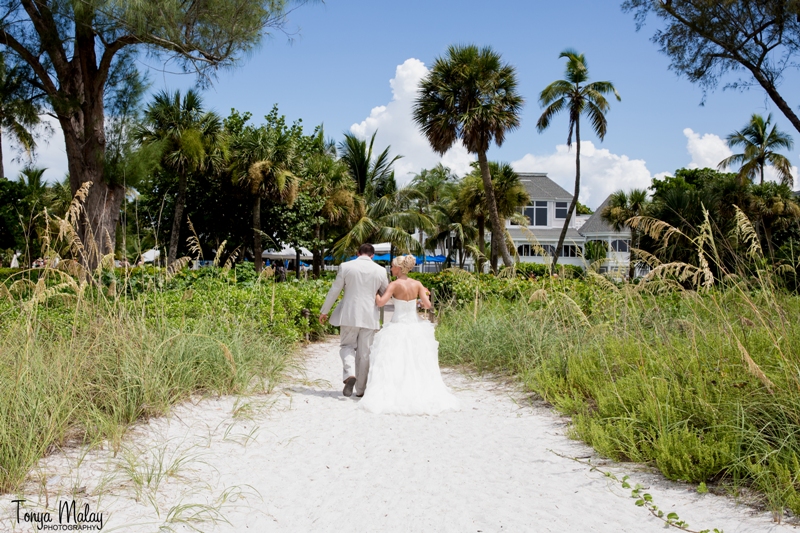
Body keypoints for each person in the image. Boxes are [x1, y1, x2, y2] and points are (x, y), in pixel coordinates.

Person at [358, 255, 460, 415]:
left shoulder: (394, 285)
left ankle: (397, 391)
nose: (391, 269)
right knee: (416, 362)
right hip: (415, 326)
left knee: (395, 361)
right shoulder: (417, 284)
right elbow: (427, 305)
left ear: (399, 268)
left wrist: (376, 293)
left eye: (392, 267)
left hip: (397, 326)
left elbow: (380, 303)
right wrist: (419, 300)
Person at [319, 243, 389, 397]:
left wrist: (324, 311)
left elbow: (334, 290)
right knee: (364, 353)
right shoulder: (381, 270)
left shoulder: (346, 266)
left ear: (358, 253)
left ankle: (350, 373)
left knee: (347, 346)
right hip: (370, 316)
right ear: (373, 255)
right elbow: (386, 293)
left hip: (349, 315)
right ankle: (361, 390)